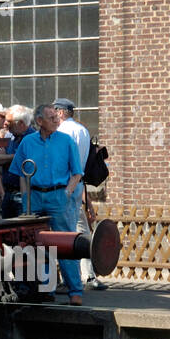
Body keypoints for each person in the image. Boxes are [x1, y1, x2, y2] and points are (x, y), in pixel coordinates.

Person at [11, 104, 84, 304]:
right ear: (40, 121)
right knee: (38, 245)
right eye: (51, 117)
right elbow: (21, 172)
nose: (56, 120)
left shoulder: (66, 141)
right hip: (34, 197)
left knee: (66, 244)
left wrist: (66, 193)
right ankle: (47, 289)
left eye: (56, 117)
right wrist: (25, 198)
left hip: (58, 196)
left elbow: (77, 173)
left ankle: (75, 291)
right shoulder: (27, 142)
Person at [54, 98, 104, 291]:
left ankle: (70, 279)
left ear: (60, 112)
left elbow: (63, 162)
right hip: (78, 186)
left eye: (54, 112)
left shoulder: (62, 132)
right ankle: (88, 275)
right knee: (81, 230)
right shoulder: (82, 130)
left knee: (65, 233)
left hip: (65, 186)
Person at [0, 104, 34, 217]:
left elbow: (27, 163)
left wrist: (8, 157)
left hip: (24, 193)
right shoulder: (10, 137)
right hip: (8, 193)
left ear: (21, 123)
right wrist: (17, 156)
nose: (5, 124)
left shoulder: (33, 139)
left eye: (9, 121)